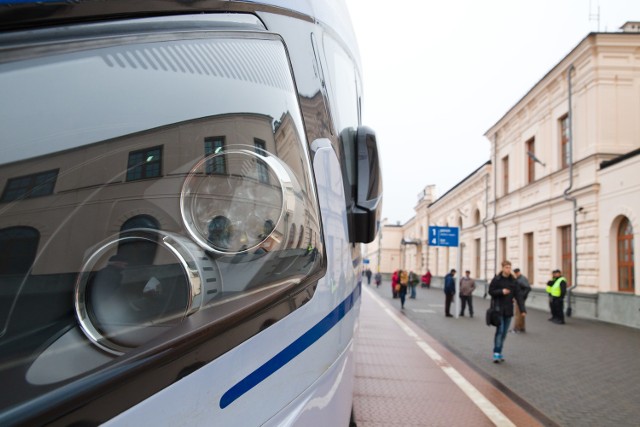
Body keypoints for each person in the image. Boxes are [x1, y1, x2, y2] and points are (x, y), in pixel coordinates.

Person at [488, 260, 526, 363]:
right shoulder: (497, 279)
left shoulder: (513, 281)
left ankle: (500, 352)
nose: (508, 269)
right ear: (502, 268)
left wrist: (523, 310)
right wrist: (501, 291)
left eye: (509, 267)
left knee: (504, 333)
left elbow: (519, 296)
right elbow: (491, 291)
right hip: (498, 310)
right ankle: (496, 353)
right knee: (499, 332)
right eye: (506, 267)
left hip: (508, 311)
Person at [512, 268, 531, 332]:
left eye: (515, 273)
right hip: (520, 298)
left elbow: (528, 288)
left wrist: (522, 296)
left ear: (517, 273)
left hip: (520, 298)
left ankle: (516, 328)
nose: (515, 275)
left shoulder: (521, 279)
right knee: (521, 313)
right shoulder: (521, 278)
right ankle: (522, 327)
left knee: (518, 313)